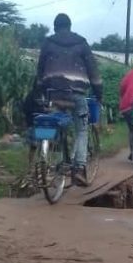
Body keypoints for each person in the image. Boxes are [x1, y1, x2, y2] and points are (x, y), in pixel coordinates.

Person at [29, 13, 103, 184]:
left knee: (54, 122)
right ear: (70, 26)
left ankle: (50, 158)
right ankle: (78, 167)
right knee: (82, 129)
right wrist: (99, 94)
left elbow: (40, 72)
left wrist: (38, 91)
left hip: (53, 93)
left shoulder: (48, 42)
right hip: (76, 94)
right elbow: (94, 74)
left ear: (55, 28)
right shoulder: (81, 43)